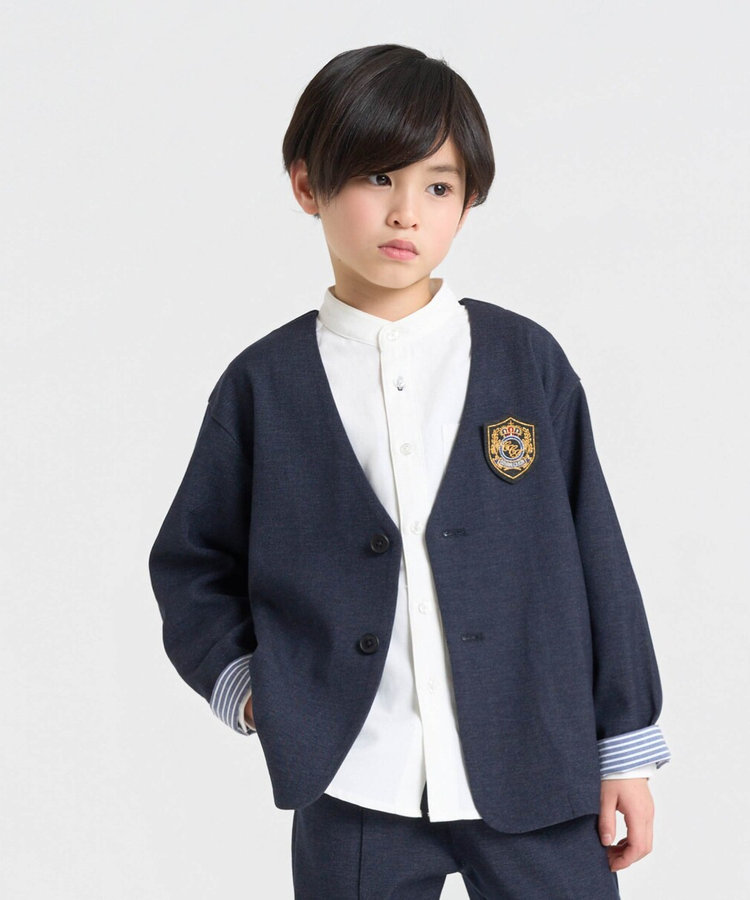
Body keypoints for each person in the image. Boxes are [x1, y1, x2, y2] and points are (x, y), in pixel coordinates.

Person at [148, 44, 671, 898]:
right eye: (377, 177)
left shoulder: (525, 360)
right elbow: (191, 561)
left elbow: (596, 555)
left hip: (537, 763)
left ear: (468, 201)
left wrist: (626, 750)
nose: (405, 213)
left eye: (438, 186)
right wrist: (256, 691)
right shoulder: (263, 385)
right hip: (357, 778)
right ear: (307, 185)